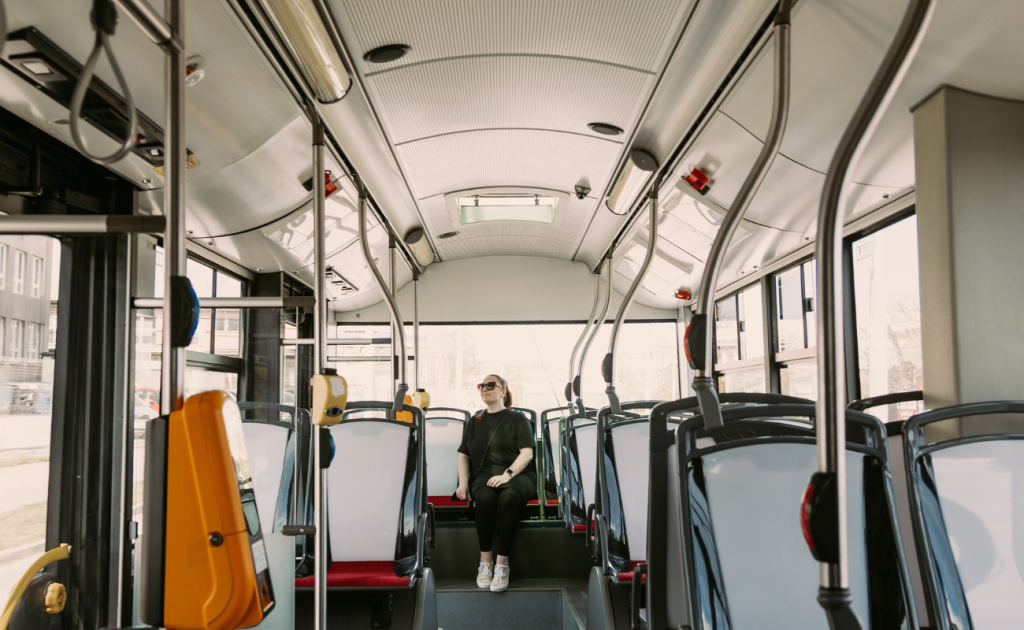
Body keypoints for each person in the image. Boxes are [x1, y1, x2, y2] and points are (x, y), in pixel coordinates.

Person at [455, 374, 536, 592]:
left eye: (490, 385)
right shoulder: (474, 422)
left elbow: (527, 453)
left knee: (508, 498)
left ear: (503, 392)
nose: (484, 388)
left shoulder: (517, 419)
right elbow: (463, 455)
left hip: (518, 475)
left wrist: (507, 474)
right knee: (485, 497)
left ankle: (502, 565)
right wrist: (463, 484)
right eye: (481, 385)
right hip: (485, 477)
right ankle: (485, 562)